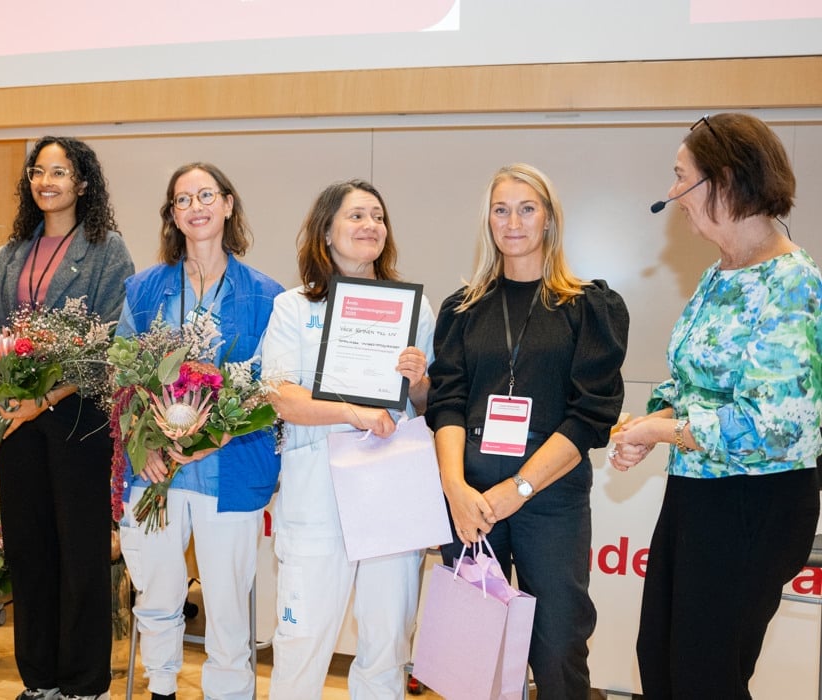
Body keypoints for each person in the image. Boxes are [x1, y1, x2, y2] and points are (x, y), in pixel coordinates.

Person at [610, 113, 821, 699]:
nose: (673, 196)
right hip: (696, 492)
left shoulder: (791, 282)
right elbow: (689, 380)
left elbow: (778, 424)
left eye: (681, 178)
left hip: (755, 502)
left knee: (707, 679)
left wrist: (666, 431)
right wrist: (650, 421)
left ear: (723, 181)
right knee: (661, 662)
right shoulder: (718, 273)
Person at [0, 136, 134, 700]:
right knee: (29, 551)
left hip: (76, 422)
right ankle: (39, 680)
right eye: (38, 171)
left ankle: (84, 683)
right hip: (15, 423)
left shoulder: (107, 249)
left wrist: (46, 396)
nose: (47, 181)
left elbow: (109, 343)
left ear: (83, 183)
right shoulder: (15, 250)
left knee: (80, 555)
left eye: (60, 172)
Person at [426, 163, 628, 698]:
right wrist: (456, 490)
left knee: (558, 644)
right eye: (501, 209)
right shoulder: (463, 309)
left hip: (549, 500)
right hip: (470, 502)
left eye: (526, 208)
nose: (512, 221)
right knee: (474, 651)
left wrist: (517, 489)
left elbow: (589, 417)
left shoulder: (588, 307)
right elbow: (445, 404)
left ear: (549, 220)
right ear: (488, 221)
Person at [261, 179, 434, 699]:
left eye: (378, 217)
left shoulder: (414, 310)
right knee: (302, 641)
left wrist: (420, 377)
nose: (371, 226)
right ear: (327, 232)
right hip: (317, 495)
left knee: (387, 645)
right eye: (356, 216)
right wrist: (352, 413)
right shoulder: (293, 308)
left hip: (390, 490)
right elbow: (282, 398)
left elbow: (423, 404)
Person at [116, 163, 283, 700]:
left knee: (229, 604)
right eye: (182, 199)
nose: (196, 206)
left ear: (229, 204)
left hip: (229, 470)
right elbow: (123, 376)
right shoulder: (144, 289)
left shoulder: (267, 295)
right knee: (158, 594)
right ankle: (161, 686)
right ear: (172, 215)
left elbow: (269, 390)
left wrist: (215, 436)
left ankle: (229, 693)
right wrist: (142, 449)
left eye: (206, 195)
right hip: (156, 473)